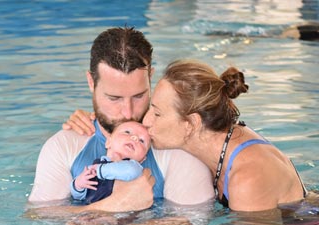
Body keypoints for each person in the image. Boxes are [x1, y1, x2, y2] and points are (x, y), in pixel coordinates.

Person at [28, 27, 215, 212]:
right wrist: (114, 206)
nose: (128, 113)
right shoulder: (64, 145)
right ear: (91, 83)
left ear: (150, 77)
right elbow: (40, 217)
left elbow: (194, 221)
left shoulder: (176, 145)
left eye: (138, 96)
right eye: (114, 98)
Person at [142, 59, 308, 212]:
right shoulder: (222, 144)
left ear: (191, 124)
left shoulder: (247, 178)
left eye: (157, 114)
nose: (146, 121)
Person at [71, 121, 151, 204]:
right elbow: (78, 197)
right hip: (92, 212)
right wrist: (78, 185)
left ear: (142, 159)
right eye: (127, 132)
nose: (135, 138)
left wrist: (100, 170)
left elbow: (130, 171)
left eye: (142, 141)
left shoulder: (135, 167)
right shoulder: (96, 165)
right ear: (108, 142)